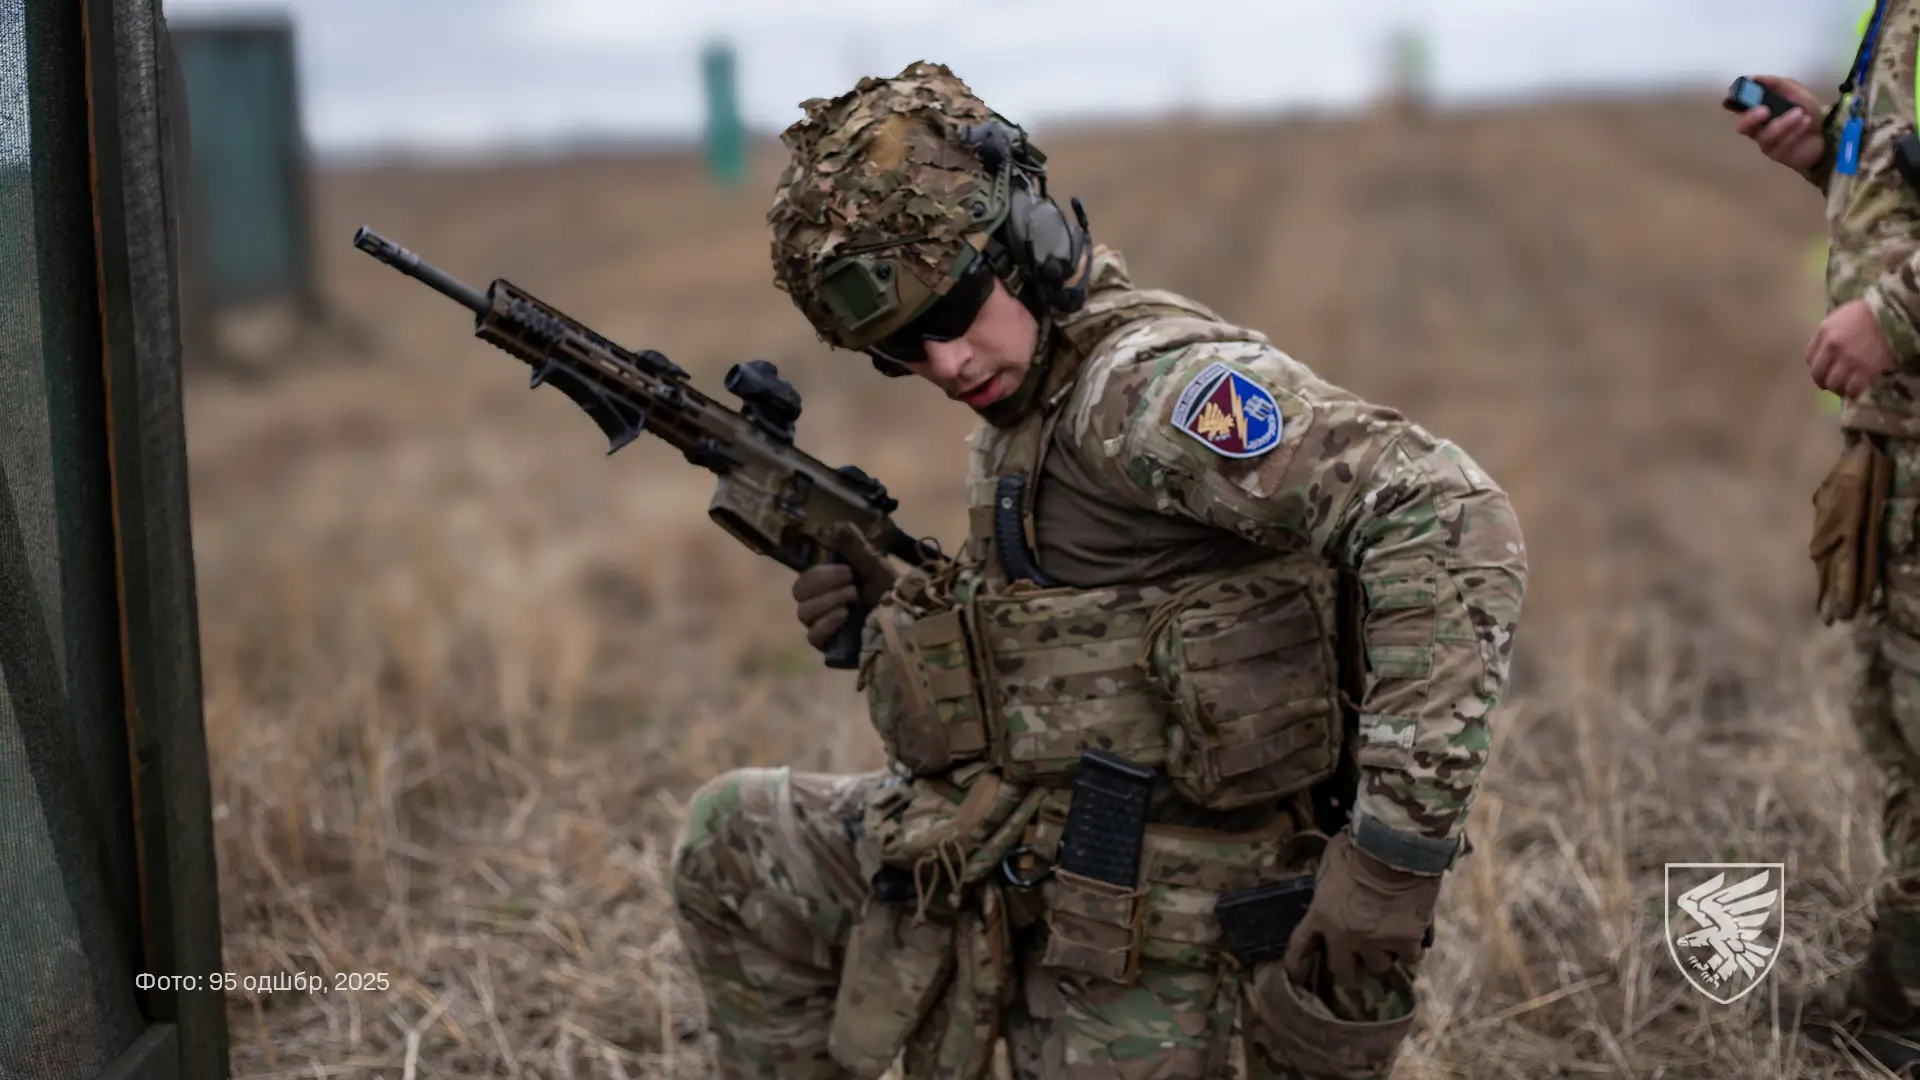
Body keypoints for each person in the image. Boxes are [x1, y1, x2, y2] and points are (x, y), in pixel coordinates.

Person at [669, 61, 1528, 1080]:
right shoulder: (1027, 392)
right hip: (1037, 838)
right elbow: (1093, 641)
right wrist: (903, 624)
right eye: (898, 349)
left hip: (1174, 900)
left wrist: (1394, 861)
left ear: (1024, 242)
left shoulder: (1144, 394)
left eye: (949, 312)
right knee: (737, 839)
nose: (944, 365)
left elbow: (1445, 510)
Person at [1734, 5, 1920, 1072]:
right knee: (1897, 730)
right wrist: (1829, 153)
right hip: (1898, 440)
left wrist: (1895, 315)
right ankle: (1902, 993)